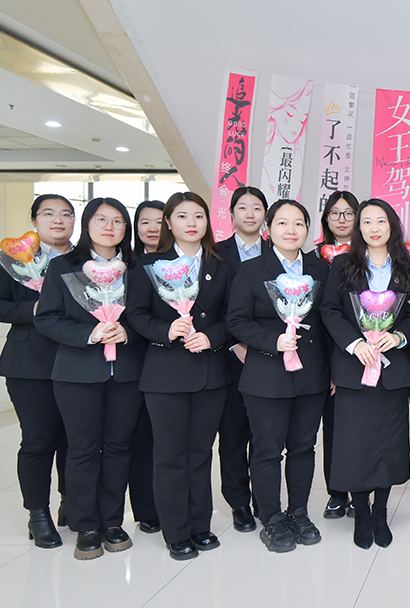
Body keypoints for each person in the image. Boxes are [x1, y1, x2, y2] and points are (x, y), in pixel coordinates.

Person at [34, 197, 145, 560]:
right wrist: (89, 334)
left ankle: (112, 521)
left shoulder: (138, 268)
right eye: (101, 220)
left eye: (118, 221)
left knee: (118, 448)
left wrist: (128, 333)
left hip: (126, 373)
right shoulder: (63, 266)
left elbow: (149, 317)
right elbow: (46, 318)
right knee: (82, 448)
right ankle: (85, 526)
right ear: (87, 224)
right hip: (77, 373)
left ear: (126, 228)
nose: (110, 227)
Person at [125, 192, 234, 561]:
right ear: (168, 223)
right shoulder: (148, 265)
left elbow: (232, 317)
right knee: (170, 454)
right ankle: (175, 531)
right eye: (183, 216)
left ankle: (200, 525)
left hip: (210, 372)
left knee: (201, 453)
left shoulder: (221, 265)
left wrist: (212, 337)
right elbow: (135, 314)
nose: (192, 223)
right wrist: (165, 330)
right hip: (165, 374)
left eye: (199, 216)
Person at [227, 199, 330, 552]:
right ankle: (270, 517)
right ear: (268, 229)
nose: (291, 230)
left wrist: (331, 372)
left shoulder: (320, 269)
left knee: (303, 447)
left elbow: (329, 320)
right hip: (266, 375)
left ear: (307, 230)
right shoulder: (252, 269)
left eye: (298, 223)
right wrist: (273, 341)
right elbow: (236, 321)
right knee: (267, 449)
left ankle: (298, 512)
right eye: (282, 223)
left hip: (312, 375)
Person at [320, 199, 410, 549]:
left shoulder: (408, 267)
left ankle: (381, 511)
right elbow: (329, 310)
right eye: (366, 221)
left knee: (388, 443)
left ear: (392, 225)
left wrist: (399, 336)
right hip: (354, 367)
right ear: (358, 227)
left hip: (392, 369)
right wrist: (354, 344)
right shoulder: (343, 264)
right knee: (355, 444)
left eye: (381, 221)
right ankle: (361, 512)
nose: (374, 228)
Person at [0, 194, 74, 548]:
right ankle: (38, 513)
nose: (58, 220)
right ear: (35, 221)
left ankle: (71, 503)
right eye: (49, 213)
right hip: (29, 363)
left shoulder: (83, 259)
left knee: (76, 440)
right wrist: (33, 309)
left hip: (77, 360)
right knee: (38, 439)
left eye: (66, 214)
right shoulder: (15, 260)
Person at [214, 185, 268, 533]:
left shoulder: (278, 252)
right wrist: (235, 342)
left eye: (257, 207)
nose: (250, 214)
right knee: (233, 433)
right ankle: (238, 502)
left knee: (265, 433)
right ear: (231, 213)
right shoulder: (216, 254)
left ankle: (264, 498)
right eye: (243, 207)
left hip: (270, 355)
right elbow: (211, 304)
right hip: (229, 356)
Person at [315, 190, 358, 520]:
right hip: (319, 354)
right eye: (335, 213)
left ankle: (360, 490)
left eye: (348, 213)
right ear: (326, 218)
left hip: (358, 354)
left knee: (357, 428)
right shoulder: (311, 259)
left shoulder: (367, 257)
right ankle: (337, 493)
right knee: (331, 428)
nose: (341, 220)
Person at [128, 199, 166, 534]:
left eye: (159, 221)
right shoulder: (126, 263)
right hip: (130, 359)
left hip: (166, 360)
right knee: (139, 437)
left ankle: (166, 504)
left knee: (162, 438)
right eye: (145, 222)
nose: (152, 228)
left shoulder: (181, 264)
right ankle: (146, 509)